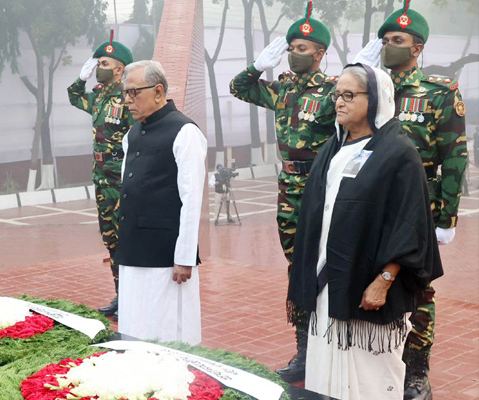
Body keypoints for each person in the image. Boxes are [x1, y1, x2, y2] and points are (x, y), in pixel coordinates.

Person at [287, 63, 443, 399]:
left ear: (373, 100)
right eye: (337, 95)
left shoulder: (399, 154)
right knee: (326, 374)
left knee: (370, 380)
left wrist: (384, 280)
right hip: (327, 284)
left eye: (349, 95)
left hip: (368, 290)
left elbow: (409, 223)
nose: (339, 103)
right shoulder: (334, 148)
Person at [353, 2, 468, 397]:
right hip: (372, 203)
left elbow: (455, 156)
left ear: (417, 48)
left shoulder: (439, 92)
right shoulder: (371, 91)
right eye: (384, 40)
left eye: (397, 40)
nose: (388, 47)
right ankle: (373, 360)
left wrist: (446, 218)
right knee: (372, 276)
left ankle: (416, 371)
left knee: (418, 288)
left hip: (419, 204)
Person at [229, 0, 337, 382]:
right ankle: (304, 351)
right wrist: (258, 66)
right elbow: (238, 88)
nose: (293, 53)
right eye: (291, 47)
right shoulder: (282, 89)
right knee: (297, 268)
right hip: (288, 187)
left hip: (322, 188)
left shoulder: (333, 90)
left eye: (301, 48)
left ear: (320, 54)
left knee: (328, 265)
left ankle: (333, 347)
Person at [114, 60, 207, 345]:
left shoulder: (184, 132)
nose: (128, 101)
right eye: (125, 93)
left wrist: (184, 256)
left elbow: (192, 199)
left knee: (165, 330)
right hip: (133, 248)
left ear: (158, 91)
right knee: (133, 323)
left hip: (166, 255)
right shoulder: (132, 133)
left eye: (134, 93)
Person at [67, 30, 136, 321]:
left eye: (105, 64)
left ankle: (134, 297)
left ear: (120, 69)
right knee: (111, 239)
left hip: (121, 178)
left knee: (127, 238)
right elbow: (73, 97)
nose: (99, 68)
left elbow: (140, 135)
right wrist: (81, 79)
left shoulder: (128, 98)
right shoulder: (97, 97)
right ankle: (122, 295)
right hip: (101, 178)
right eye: (98, 64)